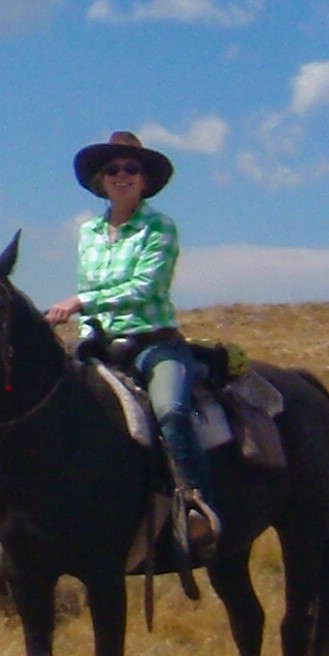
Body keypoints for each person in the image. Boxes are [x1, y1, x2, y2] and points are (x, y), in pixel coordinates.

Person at [43, 129, 217, 558]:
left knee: (171, 411)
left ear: (144, 180)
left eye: (131, 169)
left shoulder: (160, 228)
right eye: (113, 169)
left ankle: (195, 504)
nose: (122, 175)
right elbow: (89, 283)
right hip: (101, 345)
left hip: (152, 342)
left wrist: (81, 303)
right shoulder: (88, 233)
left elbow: (144, 286)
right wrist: (84, 339)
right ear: (101, 181)